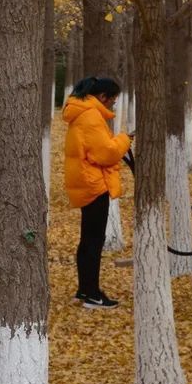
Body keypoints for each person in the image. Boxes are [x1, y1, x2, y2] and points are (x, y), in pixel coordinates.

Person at [62, 76, 132, 309]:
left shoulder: (81, 113)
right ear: (102, 97)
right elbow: (106, 153)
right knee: (93, 241)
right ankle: (92, 293)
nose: (113, 103)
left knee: (87, 241)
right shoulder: (91, 116)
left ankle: (85, 290)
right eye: (112, 99)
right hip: (94, 185)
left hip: (84, 182)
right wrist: (124, 139)